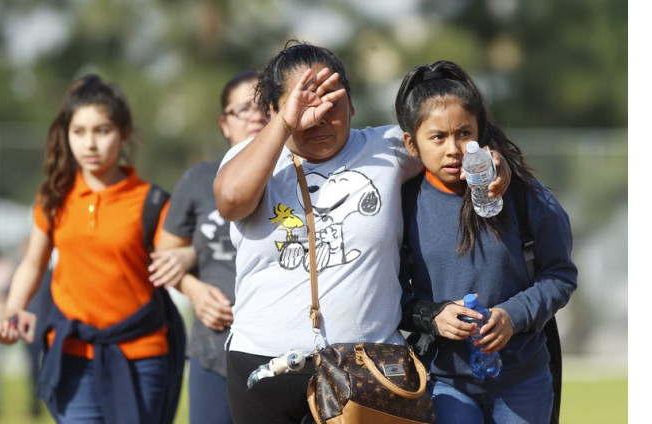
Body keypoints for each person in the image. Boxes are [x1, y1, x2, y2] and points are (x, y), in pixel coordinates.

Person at [211, 41, 511, 423]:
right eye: (303, 103)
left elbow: (453, 138)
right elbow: (231, 201)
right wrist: (285, 123)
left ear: (351, 104)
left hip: (369, 368)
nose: (319, 117)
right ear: (273, 109)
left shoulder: (388, 148)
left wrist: (496, 161)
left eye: (332, 102)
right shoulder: (249, 157)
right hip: (263, 366)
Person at [0, 74, 185, 424]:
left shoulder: (153, 201)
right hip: (71, 356)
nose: (90, 144)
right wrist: (13, 311)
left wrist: (191, 267)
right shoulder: (53, 198)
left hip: (141, 357)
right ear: (66, 136)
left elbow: (177, 268)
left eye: (102, 130)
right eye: (79, 132)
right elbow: (33, 264)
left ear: (124, 133)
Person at [395, 60, 578, 423]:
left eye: (464, 133)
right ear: (410, 144)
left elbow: (560, 276)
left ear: (481, 132)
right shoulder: (400, 206)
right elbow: (390, 296)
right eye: (437, 137)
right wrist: (434, 316)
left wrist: (513, 316)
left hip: (523, 380)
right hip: (443, 381)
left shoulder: (525, 195)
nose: (453, 149)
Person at [148, 69, 267, 424]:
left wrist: (193, 254)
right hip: (213, 349)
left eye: (266, 106)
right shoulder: (200, 179)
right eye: (243, 109)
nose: (256, 116)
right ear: (224, 123)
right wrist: (195, 291)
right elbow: (164, 258)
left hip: (282, 353)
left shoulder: (298, 176)